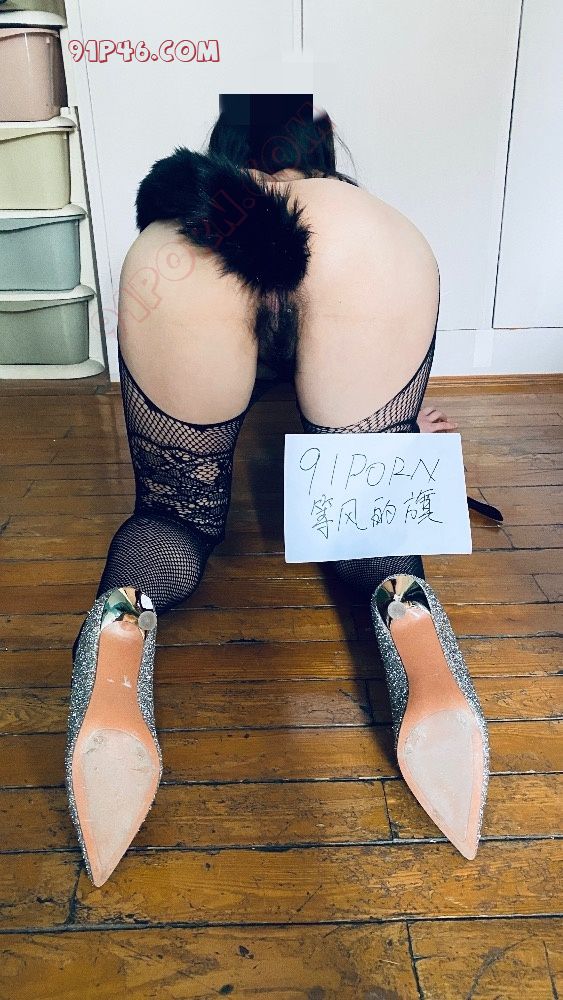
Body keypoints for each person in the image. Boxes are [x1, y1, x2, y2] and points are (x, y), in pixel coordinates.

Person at [65, 95, 488, 887]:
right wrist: (397, 443)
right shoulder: (359, 213)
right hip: (366, 253)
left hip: (194, 250)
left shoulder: (184, 229)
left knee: (173, 517)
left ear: (225, 147)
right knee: (367, 524)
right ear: (315, 151)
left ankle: (117, 638)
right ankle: (416, 632)